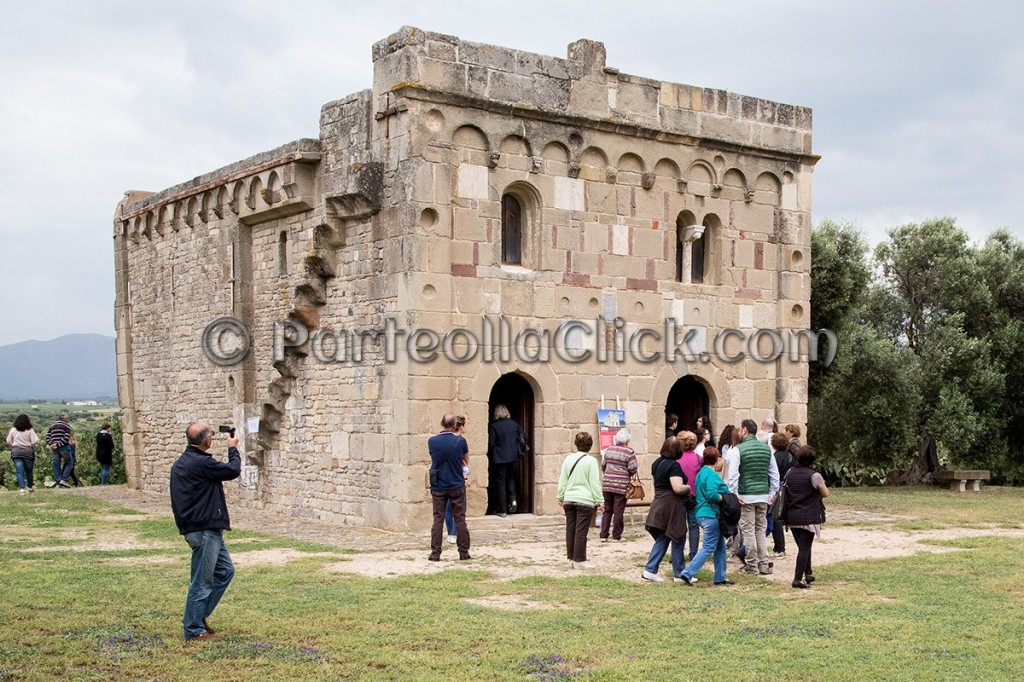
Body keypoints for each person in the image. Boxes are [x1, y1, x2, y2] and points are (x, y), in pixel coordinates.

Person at [169, 422, 241, 641]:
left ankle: (198, 617)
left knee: (225, 572)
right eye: (210, 435)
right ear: (207, 441)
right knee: (202, 581)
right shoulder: (200, 463)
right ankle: (193, 628)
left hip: (204, 527)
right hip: (203, 529)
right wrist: (233, 447)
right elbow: (232, 470)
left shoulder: (186, 461)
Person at [728, 419, 779, 575]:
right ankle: (763, 563)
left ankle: (751, 565)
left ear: (744, 430)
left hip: (746, 495)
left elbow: (733, 475)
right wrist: (772, 493)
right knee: (760, 530)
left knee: (748, 531)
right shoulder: (767, 450)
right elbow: (774, 474)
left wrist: (735, 494)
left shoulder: (738, 450)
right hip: (763, 495)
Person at [677, 447, 733, 586]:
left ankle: (720, 576)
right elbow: (712, 494)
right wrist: (727, 500)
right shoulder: (712, 475)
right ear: (717, 459)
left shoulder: (701, 473)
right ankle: (688, 572)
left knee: (720, 546)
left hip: (701, 512)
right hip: (711, 514)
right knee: (708, 547)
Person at [641, 436, 690, 582]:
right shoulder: (674, 466)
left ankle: (650, 569)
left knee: (663, 537)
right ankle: (679, 573)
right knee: (678, 536)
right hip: (671, 505)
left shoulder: (656, 463)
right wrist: (687, 487)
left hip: (659, 502)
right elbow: (677, 488)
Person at [556, 432, 604, 569]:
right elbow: (594, 483)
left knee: (570, 529)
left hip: (570, 498)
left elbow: (563, 479)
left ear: (576, 444)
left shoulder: (568, 459)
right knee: (581, 530)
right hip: (585, 499)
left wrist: (560, 496)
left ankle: (571, 558)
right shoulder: (591, 461)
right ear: (590, 446)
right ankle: (579, 559)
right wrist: (600, 500)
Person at [784, 445, 829, 589]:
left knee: (803, 546)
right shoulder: (814, 475)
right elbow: (825, 493)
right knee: (804, 547)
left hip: (792, 515)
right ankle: (797, 579)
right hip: (808, 516)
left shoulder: (790, 472)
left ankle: (808, 572)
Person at [429, 414, 471, 561]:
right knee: (460, 518)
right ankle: (463, 552)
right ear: (454, 425)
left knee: (437, 519)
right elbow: (465, 459)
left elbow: (435, 458)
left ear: (442, 424)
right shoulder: (460, 441)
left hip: (439, 485)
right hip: (456, 484)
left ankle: (435, 553)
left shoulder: (432, 441)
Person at [599, 428, 638, 542]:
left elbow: (603, 466)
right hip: (620, 485)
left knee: (607, 510)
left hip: (607, 484)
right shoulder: (629, 452)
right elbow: (633, 468)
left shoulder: (609, 450)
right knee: (618, 511)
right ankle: (616, 535)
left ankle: (603, 534)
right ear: (627, 440)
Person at [487, 404, 523, 517]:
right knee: (511, 478)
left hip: (499, 458)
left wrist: (491, 453)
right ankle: (513, 500)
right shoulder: (514, 424)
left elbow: (491, 443)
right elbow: (522, 437)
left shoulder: (494, 426)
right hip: (513, 456)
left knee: (500, 482)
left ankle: (501, 509)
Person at [676, 430, 702, 562]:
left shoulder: (676, 459)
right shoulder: (699, 458)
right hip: (694, 496)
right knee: (693, 526)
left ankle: (677, 553)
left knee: (678, 525)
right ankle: (693, 554)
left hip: (679, 495)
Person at [444, 415, 470, 544]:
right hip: (458, 476)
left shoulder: (443, 440)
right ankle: (456, 532)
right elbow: (466, 460)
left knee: (448, 507)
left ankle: (451, 533)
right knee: (460, 507)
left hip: (445, 476)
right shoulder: (461, 441)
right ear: (460, 427)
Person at [769, 432, 796, 557]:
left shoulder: (774, 457)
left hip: (778, 488)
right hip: (788, 488)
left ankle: (780, 547)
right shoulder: (791, 456)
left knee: (775, 518)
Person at [6, 414, 39, 495]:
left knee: (19, 471)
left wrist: (13, 445)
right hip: (28, 452)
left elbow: (8, 440)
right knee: (29, 471)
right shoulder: (30, 430)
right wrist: (30, 443)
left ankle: (22, 489)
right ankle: (30, 487)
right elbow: (35, 441)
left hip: (16, 451)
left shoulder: (13, 429)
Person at [45, 413, 74, 488]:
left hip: (54, 449)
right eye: (67, 418)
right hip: (64, 448)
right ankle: (63, 479)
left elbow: (47, 437)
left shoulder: (52, 426)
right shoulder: (67, 426)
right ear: (63, 419)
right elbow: (66, 438)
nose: (68, 419)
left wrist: (51, 444)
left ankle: (58, 481)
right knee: (69, 462)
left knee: (56, 464)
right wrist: (58, 444)